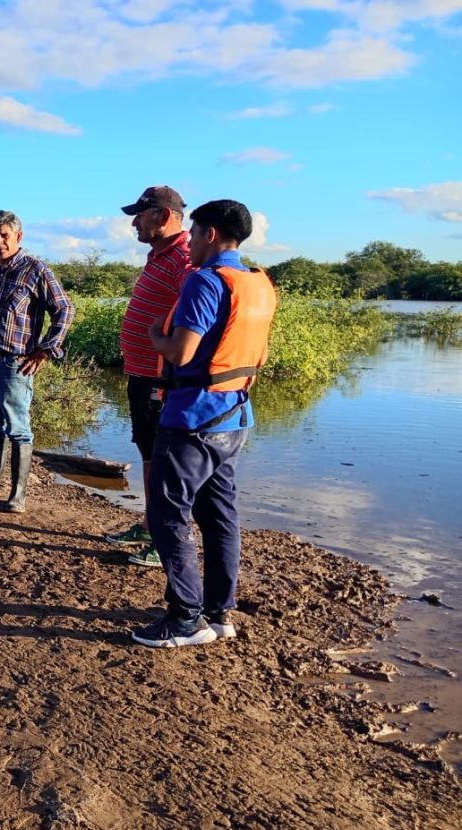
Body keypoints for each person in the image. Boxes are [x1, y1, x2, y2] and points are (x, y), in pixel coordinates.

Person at [130, 200, 278, 648]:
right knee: (219, 516)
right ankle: (219, 612)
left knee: (168, 513)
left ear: (210, 234)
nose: (189, 243)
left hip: (192, 417)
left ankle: (184, 618)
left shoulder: (205, 281)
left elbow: (181, 352)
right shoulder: (258, 282)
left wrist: (156, 335)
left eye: (193, 234)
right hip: (235, 416)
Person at [0, 211, 74, 513]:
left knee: (18, 428)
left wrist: (46, 350)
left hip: (14, 364)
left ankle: (17, 495)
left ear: (18, 237)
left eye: (4, 235)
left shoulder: (36, 270)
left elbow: (64, 310)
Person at [104, 186, 192, 567]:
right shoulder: (159, 255)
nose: (134, 222)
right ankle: (150, 522)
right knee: (149, 452)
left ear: (164, 215)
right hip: (142, 373)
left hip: (162, 379)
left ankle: (167, 540)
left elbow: (193, 318)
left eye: (141, 214)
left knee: (166, 459)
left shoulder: (185, 258)